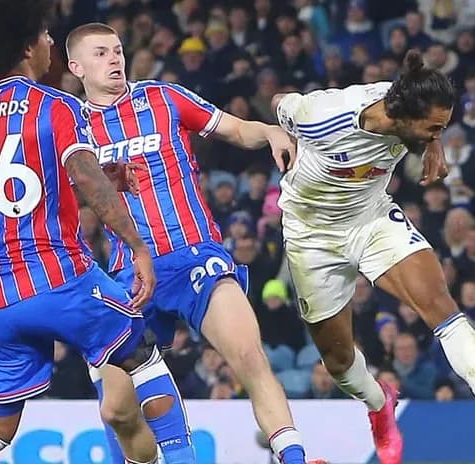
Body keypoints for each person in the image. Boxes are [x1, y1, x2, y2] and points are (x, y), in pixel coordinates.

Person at [270, 49, 475, 464]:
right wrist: (276, 133)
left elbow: (426, 134)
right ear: (404, 117)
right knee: (339, 361)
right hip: (312, 235)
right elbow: (280, 103)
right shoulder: (324, 115)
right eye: (435, 129)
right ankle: (380, 404)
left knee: (441, 305)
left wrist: (431, 145)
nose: (441, 135)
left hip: (371, 218)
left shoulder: (411, 116)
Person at [0, 2, 159, 463]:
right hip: (57, 277)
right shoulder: (57, 105)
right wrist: (138, 246)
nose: (51, 43)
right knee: (142, 353)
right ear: (26, 47)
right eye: (45, 36)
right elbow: (84, 178)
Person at [65, 23, 316, 464]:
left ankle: (293, 456)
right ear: (77, 67)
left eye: (118, 51)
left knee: (249, 356)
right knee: (117, 411)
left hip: (194, 255)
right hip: (131, 274)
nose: (115, 59)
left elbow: (237, 130)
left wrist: (270, 132)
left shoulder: (163, 98)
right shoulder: (70, 128)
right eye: (101, 53)